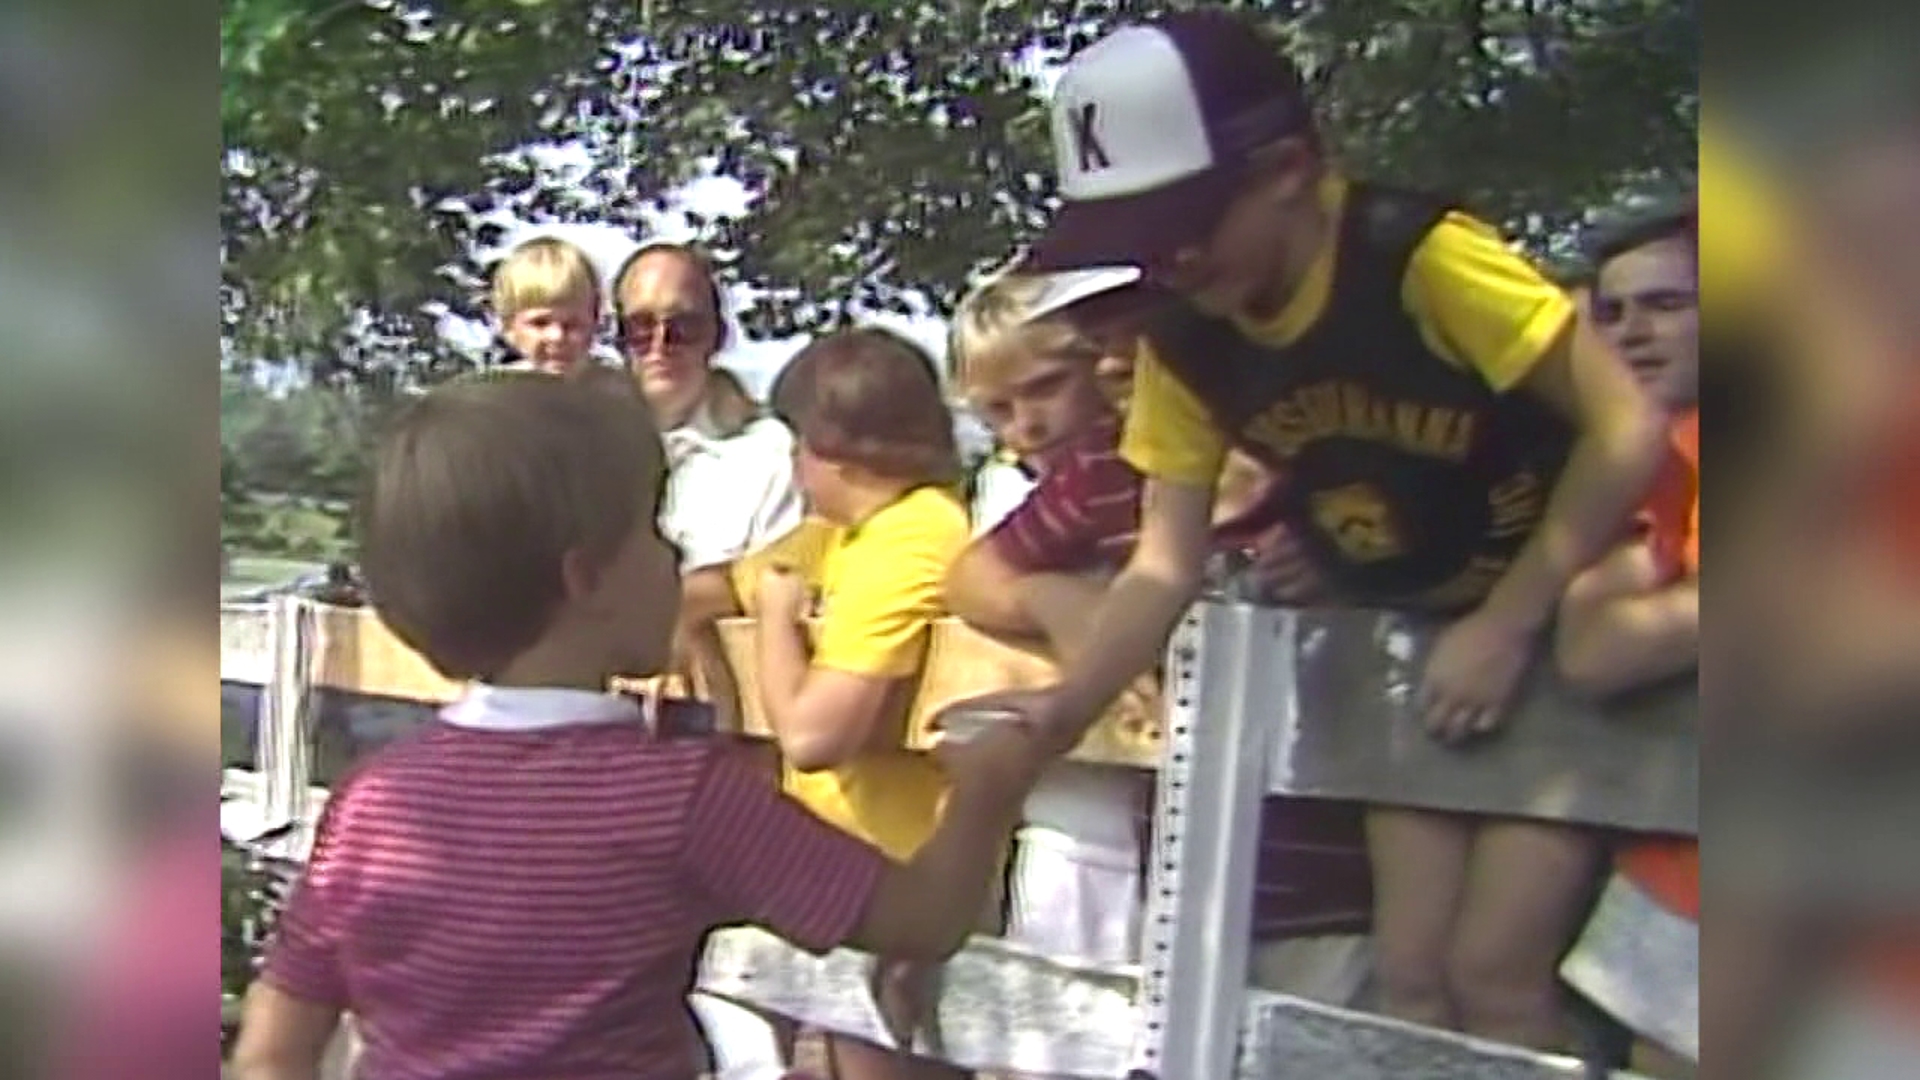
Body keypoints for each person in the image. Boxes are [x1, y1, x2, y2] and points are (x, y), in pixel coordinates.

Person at [957, 7, 1667, 1050]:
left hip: (1554, 633)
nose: (1168, 263)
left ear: (1287, 169)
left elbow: (1626, 422)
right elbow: (1162, 565)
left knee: (1498, 974)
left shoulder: (1422, 257)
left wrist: (1512, 621)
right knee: (1417, 974)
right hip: (1410, 656)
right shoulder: (1185, 338)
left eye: (1182, 228)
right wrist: (1063, 710)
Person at [227, 371, 1043, 1080]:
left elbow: (273, 1052)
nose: (678, 556)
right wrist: (989, 782)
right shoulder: (679, 797)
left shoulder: (373, 806)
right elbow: (924, 918)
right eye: (656, 531)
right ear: (586, 578)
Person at [944, 269, 1375, 1004]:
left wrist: (1356, 565)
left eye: (1125, 338)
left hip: (1338, 870)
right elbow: (971, 577)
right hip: (1185, 874)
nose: (1116, 361)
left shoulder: (1331, 448)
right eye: (1101, 342)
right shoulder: (1106, 468)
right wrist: (1055, 598)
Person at [744, 328, 978, 1080]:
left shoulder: (913, 539)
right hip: (856, 874)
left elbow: (814, 734)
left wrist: (778, 621)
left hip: (901, 877)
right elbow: (736, 576)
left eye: (797, 442)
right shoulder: (851, 532)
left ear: (831, 446)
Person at [1553, 200, 1700, 1079]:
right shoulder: (1645, 460)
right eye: (1613, 312)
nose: (1633, 331)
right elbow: (1589, 641)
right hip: (1674, 880)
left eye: (1668, 304)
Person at [612, 241, 803, 733]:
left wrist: (689, 602)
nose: (659, 346)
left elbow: (785, 578)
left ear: (715, 337)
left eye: (682, 327)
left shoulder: (771, 452)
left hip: (731, 733)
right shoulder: (586, 452)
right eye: (639, 328)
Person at [490, 236, 603, 376]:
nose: (557, 336)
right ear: (508, 324)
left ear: (595, 319)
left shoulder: (622, 392)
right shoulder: (489, 394)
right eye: (540, 323)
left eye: (572, 324)